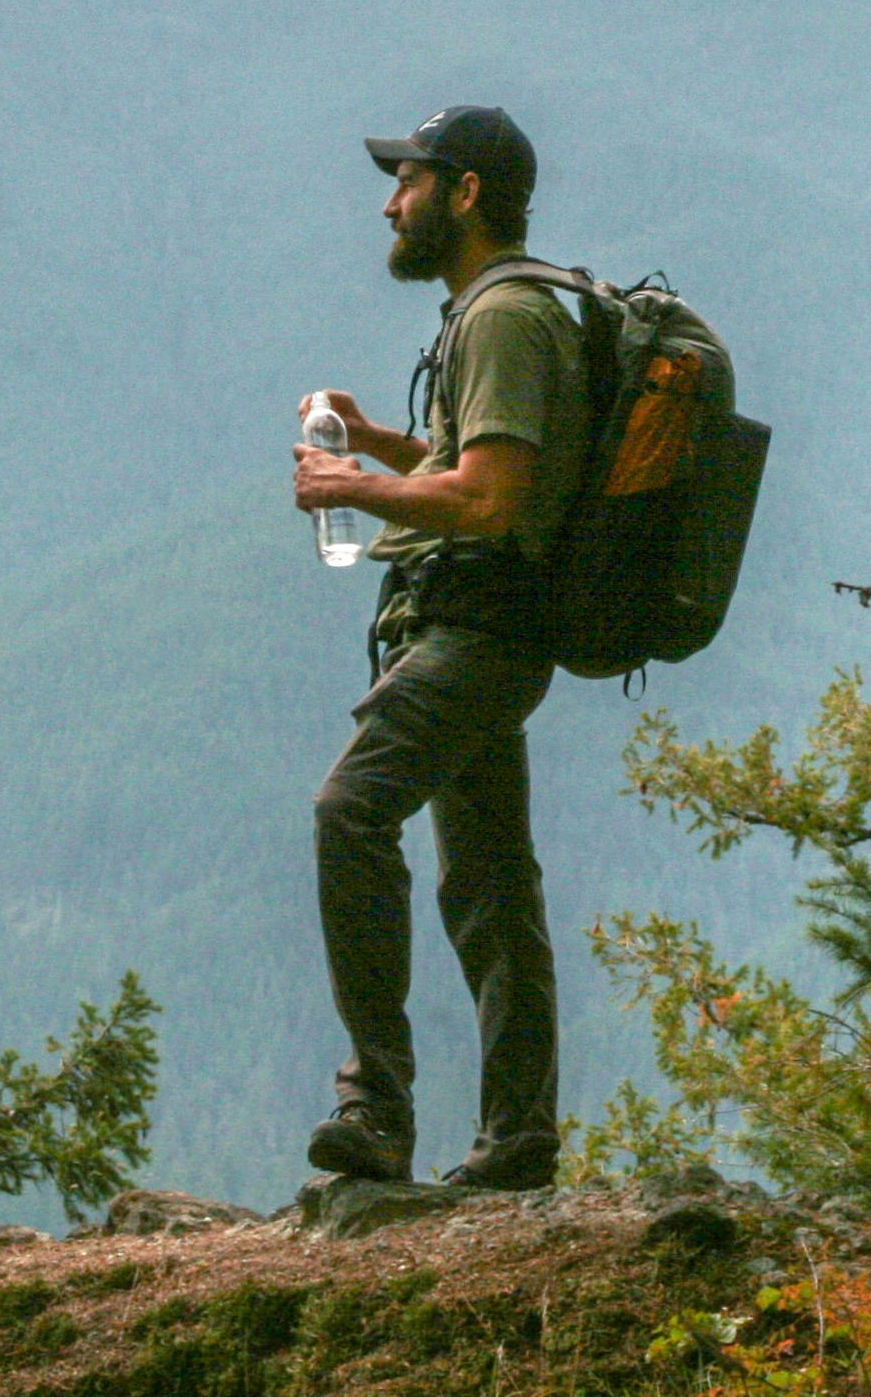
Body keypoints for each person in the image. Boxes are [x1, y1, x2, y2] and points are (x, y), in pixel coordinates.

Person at [290, 105, 589, 1191]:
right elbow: (483, 460)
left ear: (465, 193)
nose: (389, 201)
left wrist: (349, 487)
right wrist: (382, 444)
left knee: (349, 812)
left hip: (480, 630)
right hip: (491, 626)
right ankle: (519, 1137)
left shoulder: (505, 315)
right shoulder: (503, 309)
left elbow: (495, 497)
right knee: (492, 885)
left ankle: (377, 1108)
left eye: (408, 181)